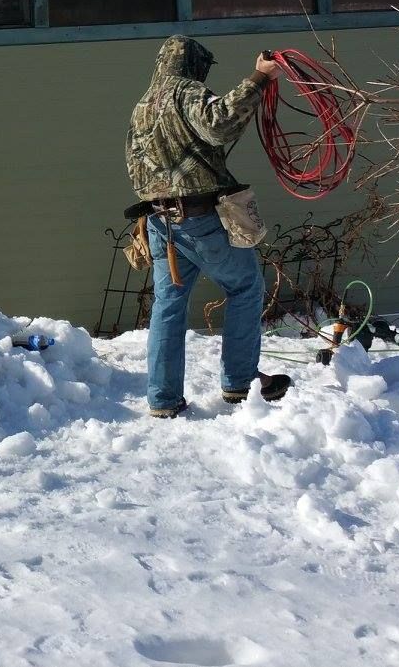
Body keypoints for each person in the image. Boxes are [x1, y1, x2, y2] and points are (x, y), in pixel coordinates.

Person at [124, 36, 291, 418]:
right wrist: (259, 78)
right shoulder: (186, 92)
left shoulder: (142, 106)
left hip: (158, 222)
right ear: (194, 64)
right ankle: (240, 382)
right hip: (200, 218)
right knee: (246, 287)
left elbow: (135, 164)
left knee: (168, 307)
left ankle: (163, 400)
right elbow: (219, 125)